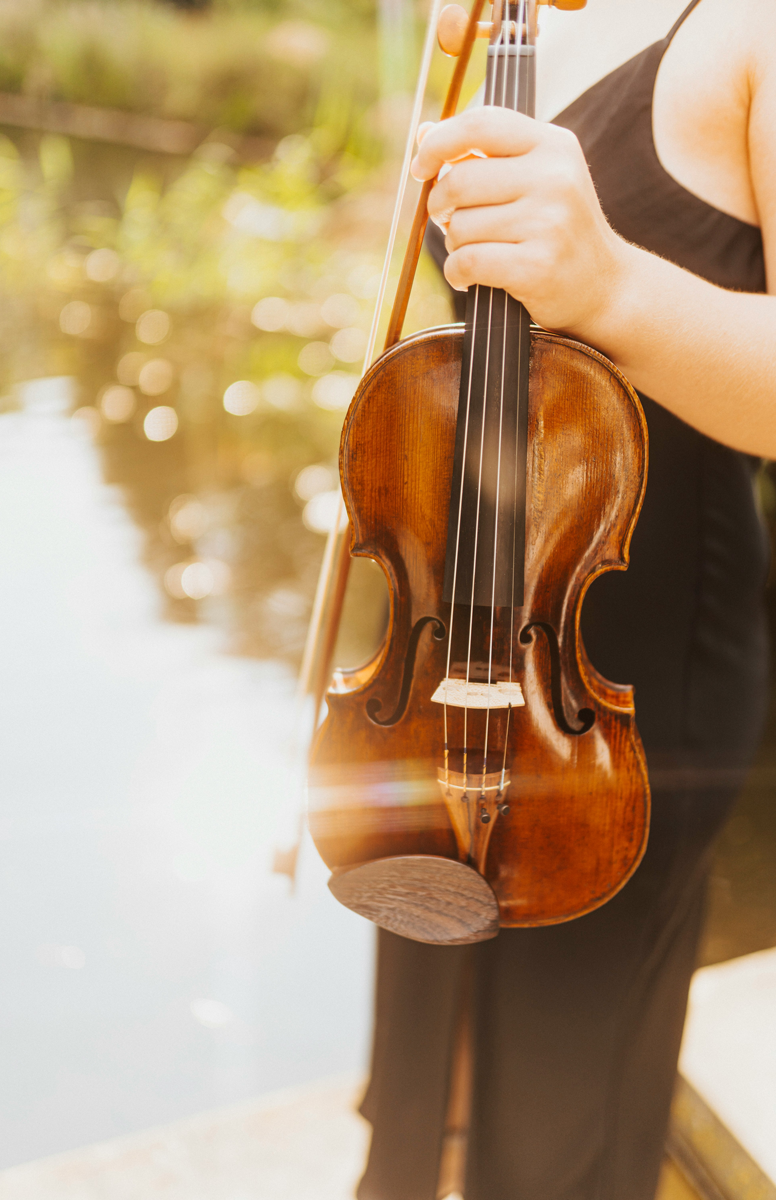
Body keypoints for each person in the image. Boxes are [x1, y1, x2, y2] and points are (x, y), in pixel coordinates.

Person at [356, 1, 774, 1197]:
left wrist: (610, 289)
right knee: (426, 1040)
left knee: (560, 1100)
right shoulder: (498, 13)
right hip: (446, 644)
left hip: (623, 692)